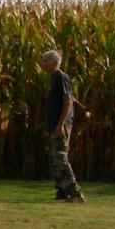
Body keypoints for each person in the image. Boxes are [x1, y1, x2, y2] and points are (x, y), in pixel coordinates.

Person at [41, 50, 85, 202]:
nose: (43, 64)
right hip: (54, 126)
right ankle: (62, 191)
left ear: (54, 62)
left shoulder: (61, 77)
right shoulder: (52, 79)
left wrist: (61, 125)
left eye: (46, 60)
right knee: (54, 160)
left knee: (60, 158)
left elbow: (68, 101)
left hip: (61, 126)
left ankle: (75, 192)